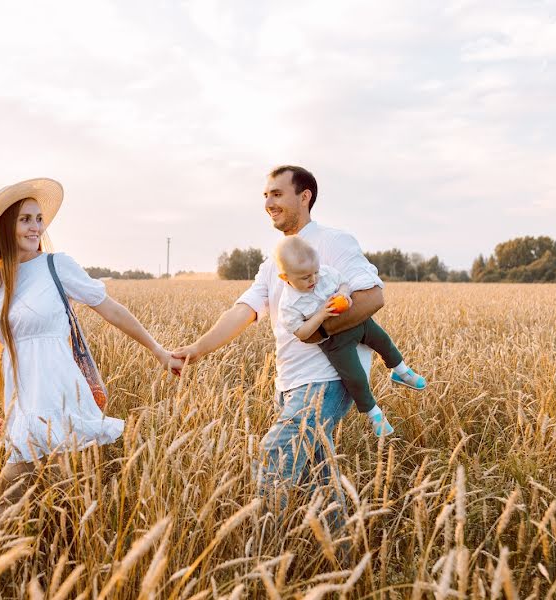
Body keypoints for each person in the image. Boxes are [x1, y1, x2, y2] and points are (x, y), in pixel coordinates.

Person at [172, 165, 391, 511]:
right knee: (319, 483)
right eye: (265, 195)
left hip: (327, 380)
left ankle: (261, 553)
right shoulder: (275, 261)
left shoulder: (333, 241)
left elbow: (372, 296)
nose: (268, 202)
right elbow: (243, 310)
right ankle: (343, 556)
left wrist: (318, 331)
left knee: (275, 455)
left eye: (277, 194)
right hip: (290, 383)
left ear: (305, 197)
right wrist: (196, 350)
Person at [0, 178, 182, 508]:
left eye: (38, 219)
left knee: (58, 500)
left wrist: (157, 349)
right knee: (21, 501)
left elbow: (110, 308)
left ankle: (78, 555)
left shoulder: (56, 265)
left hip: (59, 397)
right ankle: (31, 557)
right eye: (25, 219)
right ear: (6, 226)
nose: (35, 227)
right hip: (20, 403)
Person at [273, 235, 426, 438]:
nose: (313, 280)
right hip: (334, 342)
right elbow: (302, 333)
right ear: (285, 278)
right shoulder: (289, 304)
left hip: (358, 323)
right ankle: (375, 416)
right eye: (305, 277)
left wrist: (344, 294)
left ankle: (401, 371)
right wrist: (320, 315)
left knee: (383, 341)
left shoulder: (325, 274)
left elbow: (344, 283)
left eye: (315, 273)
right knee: (354, 377)